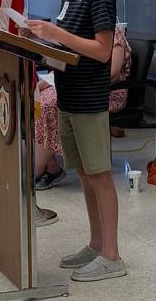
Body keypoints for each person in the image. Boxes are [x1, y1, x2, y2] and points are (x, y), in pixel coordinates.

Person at [27, 0, 125, 282]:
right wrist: (41, 37)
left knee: (99, 175)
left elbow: (102, 50)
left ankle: (113, 256)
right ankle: (96, 243)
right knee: (84, 173)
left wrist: (56, 33)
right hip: (67, 92)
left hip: (89, 96)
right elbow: (67, 38)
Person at [35, 24, 131, 189]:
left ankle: (36, 170)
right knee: (39, 99)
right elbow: (66, 63)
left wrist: (78, 81)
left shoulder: (114, 35)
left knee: (50, 104)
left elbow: (113, 73)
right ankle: (51, 167)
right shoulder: (81, 31)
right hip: (76, 85)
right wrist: (42, 84)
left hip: (104, 91)